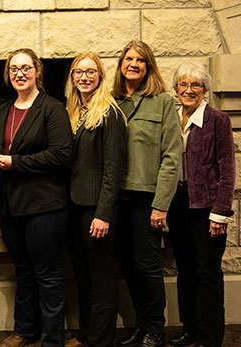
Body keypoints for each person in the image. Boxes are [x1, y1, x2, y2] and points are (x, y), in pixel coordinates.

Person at [0, 48, 72, 347]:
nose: (19, 74)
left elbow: (61, 154)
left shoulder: (52, 108)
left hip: (44, 206)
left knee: (47, 273)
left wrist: (13, 162)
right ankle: (25, 330)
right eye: (13, 69)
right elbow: (1, 149)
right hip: (10, 205)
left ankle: (53, 339)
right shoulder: (2, 110)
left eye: (25, 68)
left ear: (37, 71)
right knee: (23, 271)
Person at [112, 40, 181, 347]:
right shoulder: (111, 101)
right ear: (121, 65)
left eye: (140, 60)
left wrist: (161, 205)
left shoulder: (162, 102)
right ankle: (140, 326)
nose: (134, 64)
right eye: (129, 59)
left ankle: (155, 328)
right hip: (116, 198)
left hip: (146, 199)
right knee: (126, 263)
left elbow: (171, 157)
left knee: (147, 265)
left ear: (148, 66)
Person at [166, 62, 234, 347]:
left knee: (208, 273)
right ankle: (190, 329)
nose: (189, 90)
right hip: (179, 204)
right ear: (176, 88)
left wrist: (219, 214)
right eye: (184, 84)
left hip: (207, 207)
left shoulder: (217, 119)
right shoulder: (172, 117)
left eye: (196, 85)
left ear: (204, 89)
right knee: (186, 270)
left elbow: (227, 169)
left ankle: (209, 337)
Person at [64, 53, 127, 347]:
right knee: (83, 273)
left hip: (96, 209)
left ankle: (102, 339)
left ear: (100, 76)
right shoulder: (74, 112)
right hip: (75, 206)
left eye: (90, 72)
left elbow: (114, 170)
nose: (84, 77)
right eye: (79, 72)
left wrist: (104, 213)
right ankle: (88, 332)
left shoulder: (109, 113)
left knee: (101, 275)